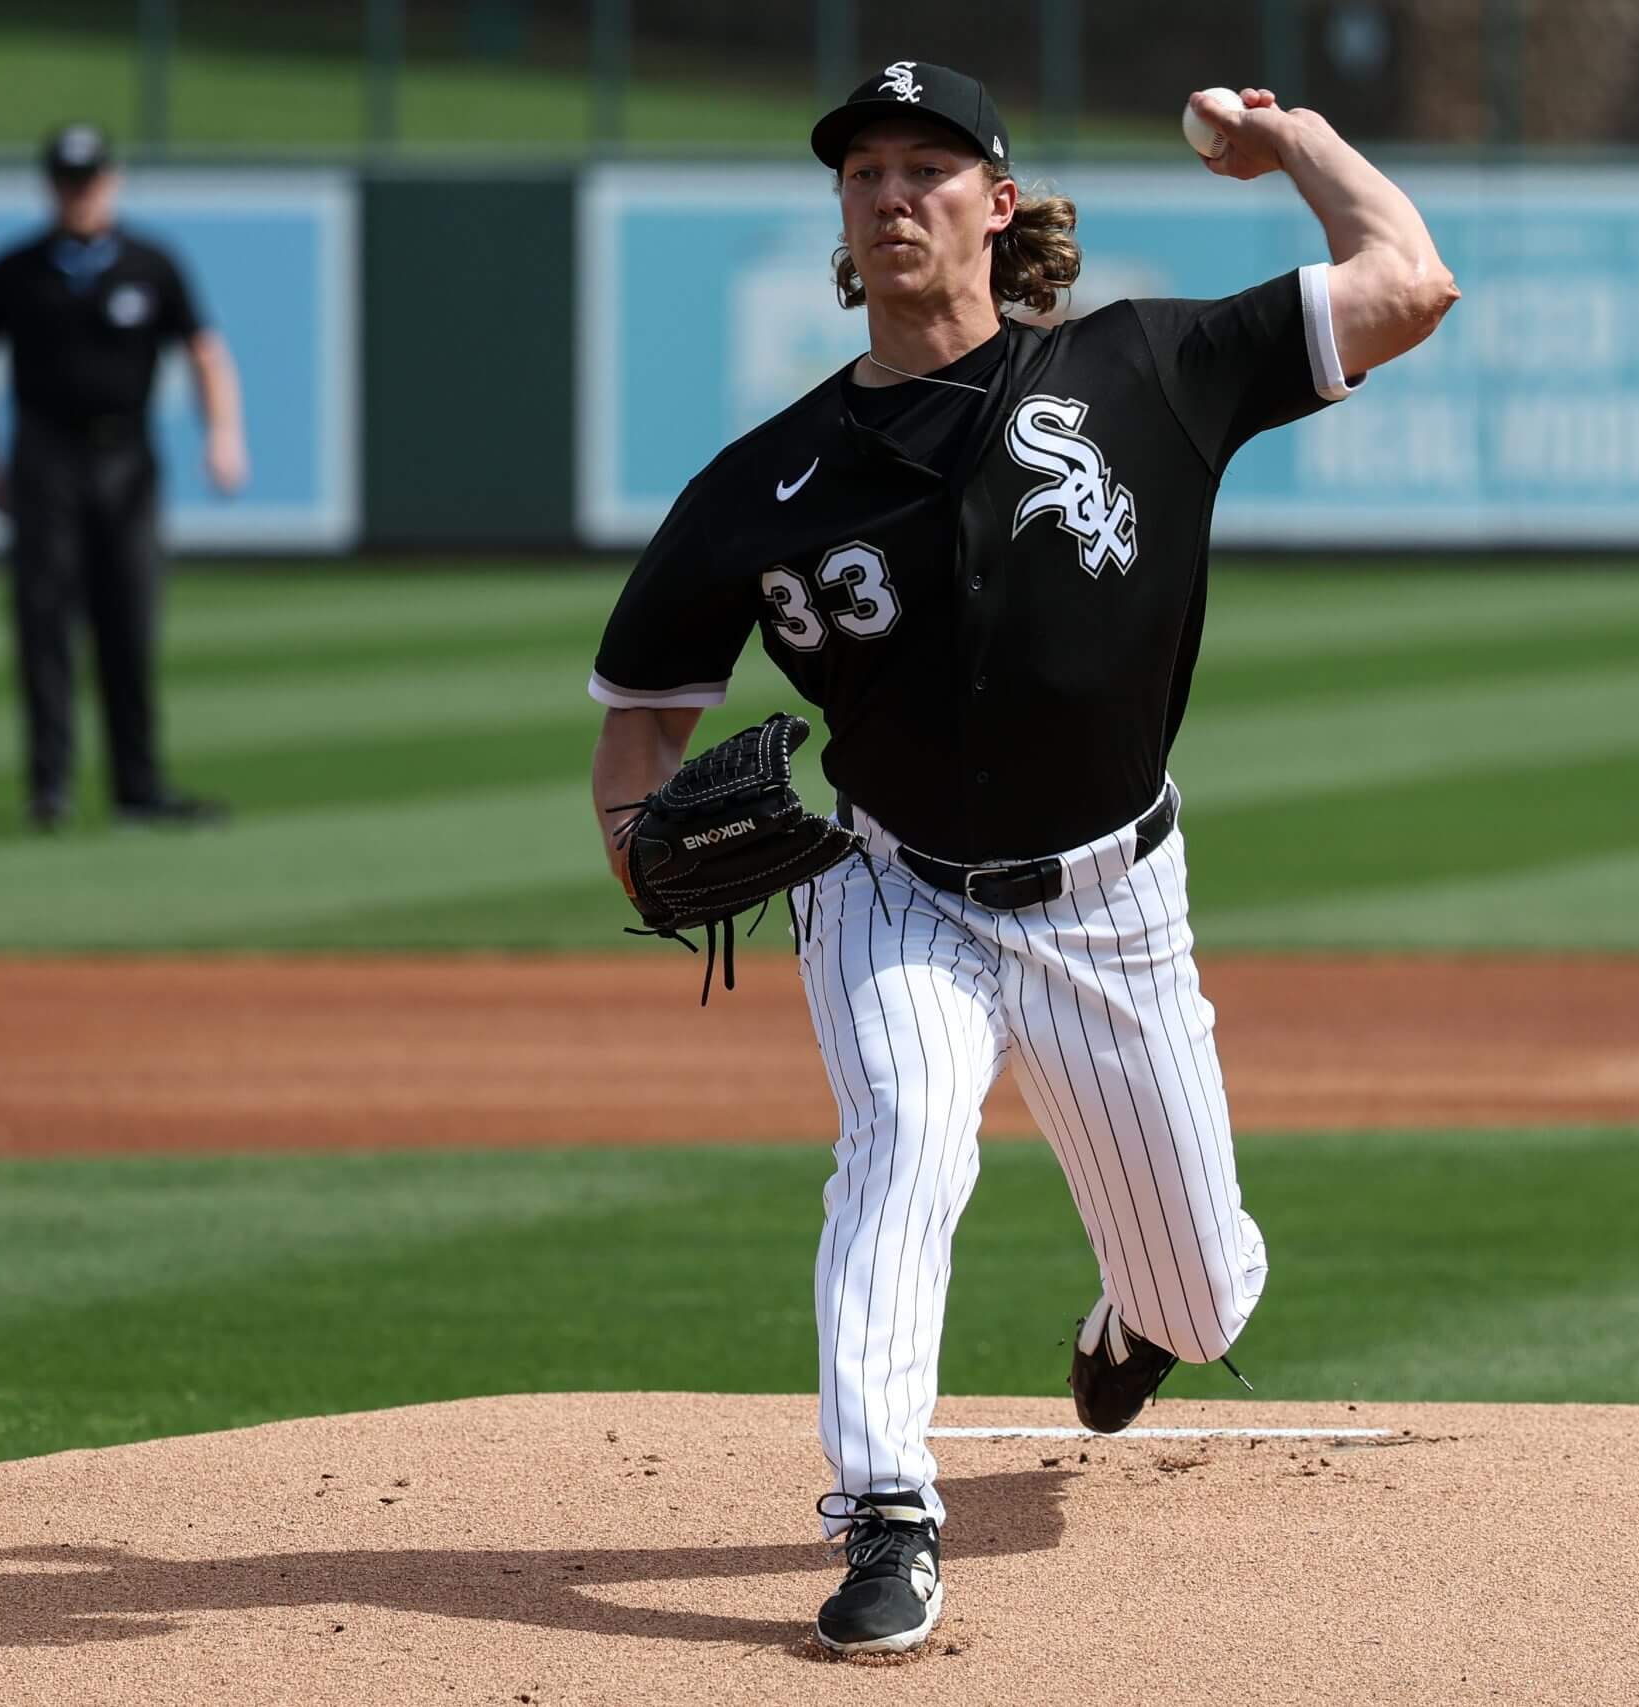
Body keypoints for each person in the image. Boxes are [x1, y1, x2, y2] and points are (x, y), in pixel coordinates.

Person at [586, 63, 1456, 1655]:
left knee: (1205, 1300)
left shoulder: (1147, 368)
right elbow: (639, 727)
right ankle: (884, 1514)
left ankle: (1135, 1316)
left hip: (1115, 899)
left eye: (930, 165)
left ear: (998, 205)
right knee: (906, 1137)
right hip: (888, 884)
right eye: (864, 172)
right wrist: (642, 854)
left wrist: (1294, 144)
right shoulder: (762, 484)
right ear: (843, 221)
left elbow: (1410, 281)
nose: (893, 191)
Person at [0, 123, 248, 832]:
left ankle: (137, 786)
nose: (78, 194)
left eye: (88, 180)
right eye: (65, 181)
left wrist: (225, 434)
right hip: (44, 456)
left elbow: (206, 351)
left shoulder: (149, 264)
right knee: (44, 621)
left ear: (111, 181)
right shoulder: (16, 270)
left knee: (131, 620)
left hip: (127, 458)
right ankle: (49, 787)